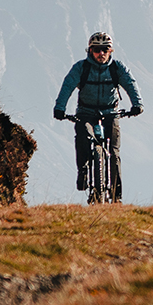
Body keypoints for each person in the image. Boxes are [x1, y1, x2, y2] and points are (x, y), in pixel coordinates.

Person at [53, 31, 143, 201]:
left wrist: (137, 104)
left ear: (111, 51)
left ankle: (117, 197)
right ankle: (83, 170)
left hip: (111, 112)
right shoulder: (81, 68)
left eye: (105, 49)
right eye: (96, 49)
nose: (101, 53)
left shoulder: (117, 68)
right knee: (82, 137)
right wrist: (60, 108)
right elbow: (67, 86)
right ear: (90, 51)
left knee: (114, 153)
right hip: (86, 112)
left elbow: (130, 84)